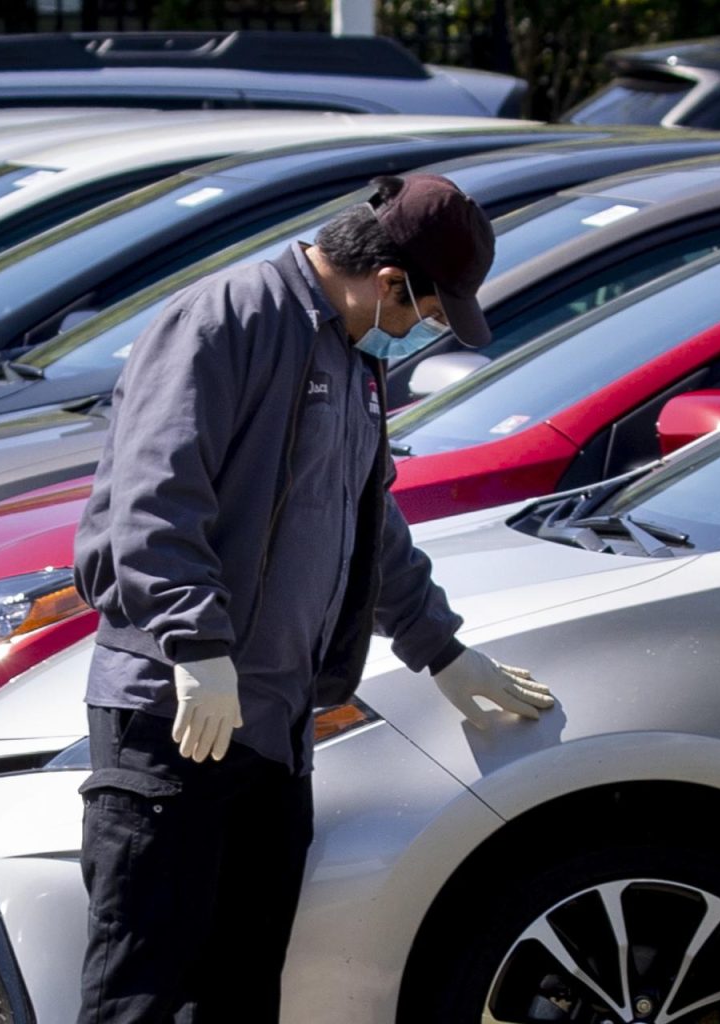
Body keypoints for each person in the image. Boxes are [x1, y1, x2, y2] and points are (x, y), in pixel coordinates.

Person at [71, 173, 556, 1024]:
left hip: (273, 727)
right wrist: (195, 645)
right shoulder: (230, 318)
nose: (417, 332)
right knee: (138, 995)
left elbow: (368, 522)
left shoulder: (349, 353)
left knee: (241, 994)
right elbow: (155, 495)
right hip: (172, 719)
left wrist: (439, 647)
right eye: (425, 312)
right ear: (389, 279)